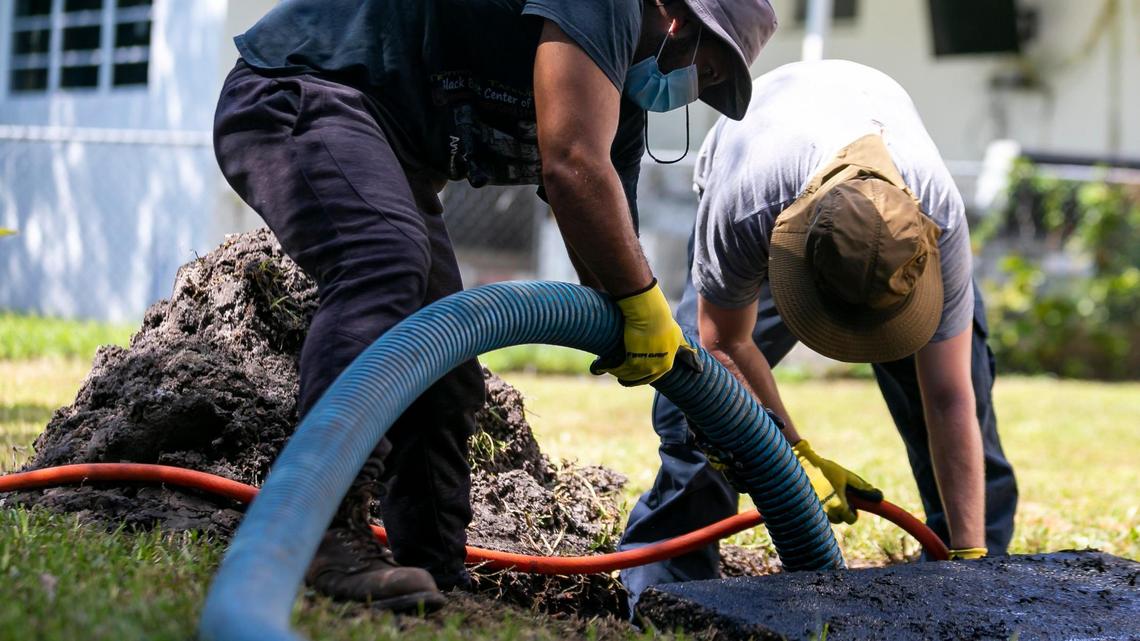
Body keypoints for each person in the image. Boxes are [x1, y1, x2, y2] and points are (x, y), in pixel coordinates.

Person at [213, 0, 777, 613]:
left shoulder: (622, 94)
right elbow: (572, 166)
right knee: (381, 263)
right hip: (300, 91)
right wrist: (640, 305)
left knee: (443, 369)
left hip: (387, 148)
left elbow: (609, 256)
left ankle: (434, 572)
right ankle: (322, 531)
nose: (696, 91)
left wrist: (686, 387)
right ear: (674, 16)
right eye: (708, 70)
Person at [618, 59, 1019, 613]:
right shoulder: (748, 202)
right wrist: (794, 454)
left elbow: (949, 396)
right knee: (699, 401)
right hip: (771, 177)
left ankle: (971, 578)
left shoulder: (938, 216)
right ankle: (670, 588)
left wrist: (971, 553)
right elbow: (723, 342)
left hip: (866, 168)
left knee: (966, 395)